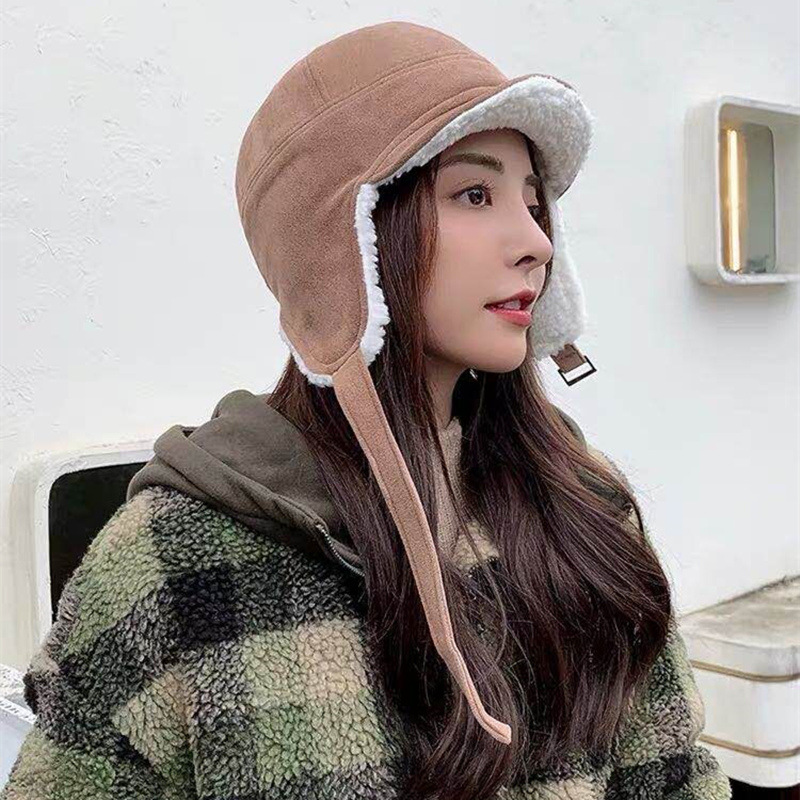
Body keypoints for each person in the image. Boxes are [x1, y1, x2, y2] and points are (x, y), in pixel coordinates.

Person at [2, 21, 732, 800]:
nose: (535, 242)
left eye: (532, 201)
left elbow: (673, 777)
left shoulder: (584, 508)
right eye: (474, 194)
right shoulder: (172, 561)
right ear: (344, 242)